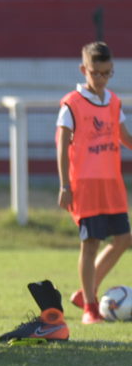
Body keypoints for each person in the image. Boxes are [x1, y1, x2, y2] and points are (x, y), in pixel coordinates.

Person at [56, 41, 132, 324]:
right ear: (83, 70)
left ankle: (85, 292)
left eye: (106, 73)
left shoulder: (113, 101)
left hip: (112, 183)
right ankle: (90, 307)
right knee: (91, 244)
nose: (100, 79)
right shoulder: (72, 104)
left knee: (124, 239)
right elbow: (62, 146)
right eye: (95, 73)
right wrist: (65, 185)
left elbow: (125, 137)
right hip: (85, 185)